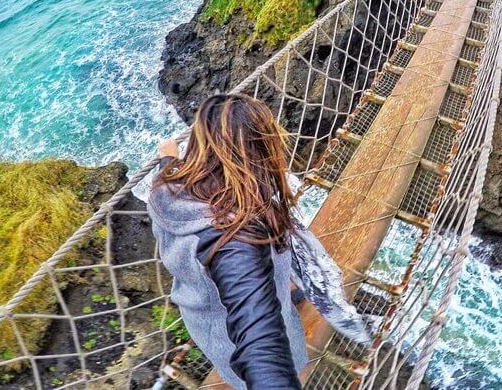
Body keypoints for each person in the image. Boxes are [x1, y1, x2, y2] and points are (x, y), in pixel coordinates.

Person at [149, 93, 371, 389]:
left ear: (202, 147)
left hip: (208, 322)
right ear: (260, 151)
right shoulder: (237, 236)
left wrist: (168, 159)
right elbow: (260, 347)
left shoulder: (167, 191)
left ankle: (273, 298)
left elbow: (172, 174)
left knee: (259, 308)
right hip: (243, 334)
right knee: (280, 347)